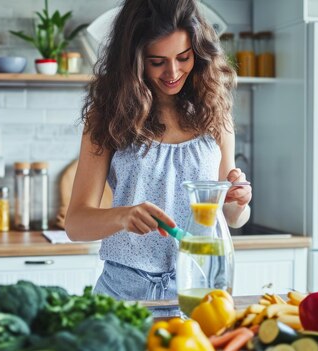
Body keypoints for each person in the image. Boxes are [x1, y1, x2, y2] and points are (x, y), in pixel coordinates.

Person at [65, 0, 252, 301]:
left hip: (198, 290)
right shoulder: (108, 116)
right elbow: (75, 224)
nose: (173, 72)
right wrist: (122, 217)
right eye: (157, 61)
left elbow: (230, 216)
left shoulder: (215, 113)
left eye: (183, 57)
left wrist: (239, 200)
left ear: (198, 52)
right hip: (123, 295)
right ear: (134, 60)